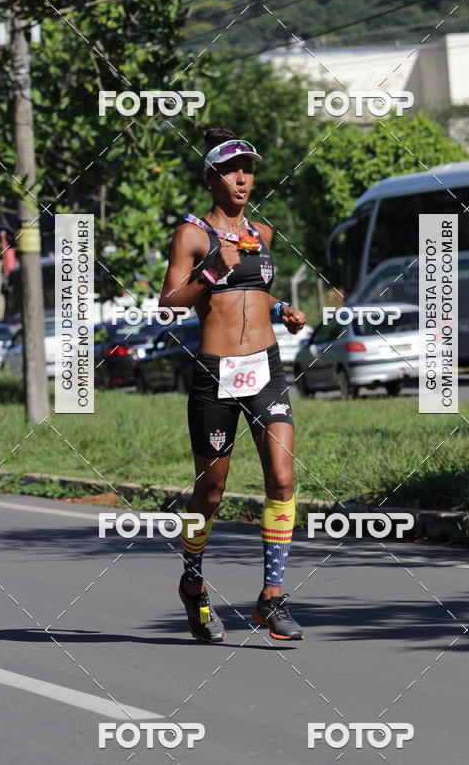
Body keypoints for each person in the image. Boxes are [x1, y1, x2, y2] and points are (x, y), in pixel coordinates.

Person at [159, 126, 307, 643]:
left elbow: (253, 295)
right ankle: (194, 585)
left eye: (248, 169)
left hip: (265, 368)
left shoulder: (262, 234)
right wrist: (209, 271)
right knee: (211, 491)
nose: (242, 178)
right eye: (230, 169)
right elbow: (171, 300)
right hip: (216, 372)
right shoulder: (193, 234)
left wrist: (281, 308)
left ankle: (271, 596)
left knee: (283, 476)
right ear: (210, 178)